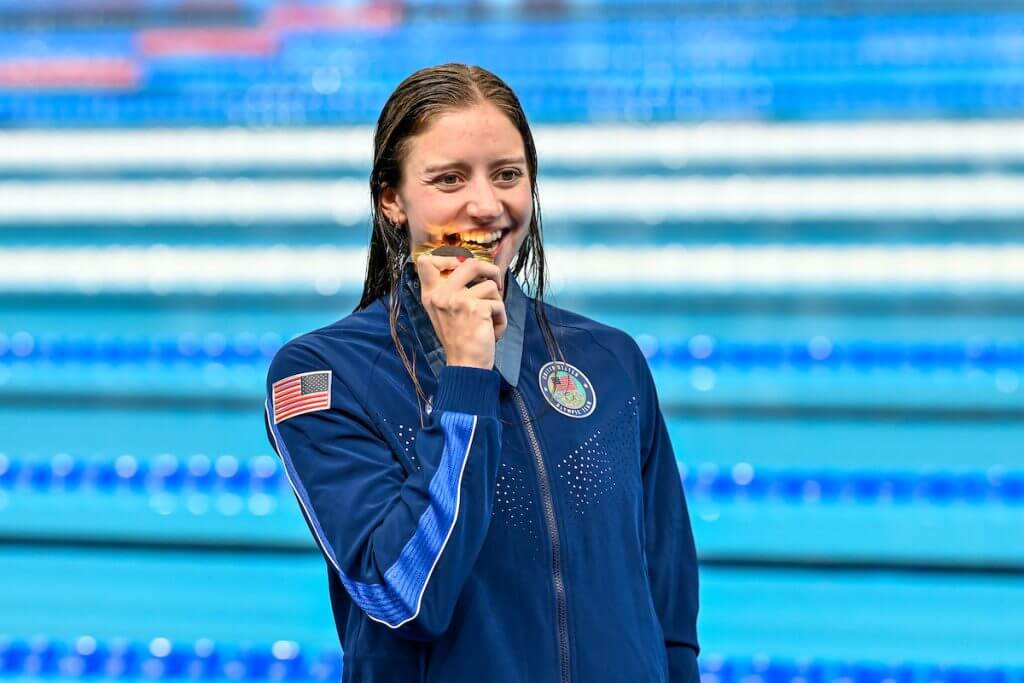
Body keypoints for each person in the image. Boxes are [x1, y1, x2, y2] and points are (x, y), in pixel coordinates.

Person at [263, 63, 700, 683]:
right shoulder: (325, 375)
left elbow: (671, 615)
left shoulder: (610, 361)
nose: (486, 205)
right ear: (391, 198)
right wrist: (467, 372)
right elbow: (404, 595)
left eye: (507, 175)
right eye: (449, 179)